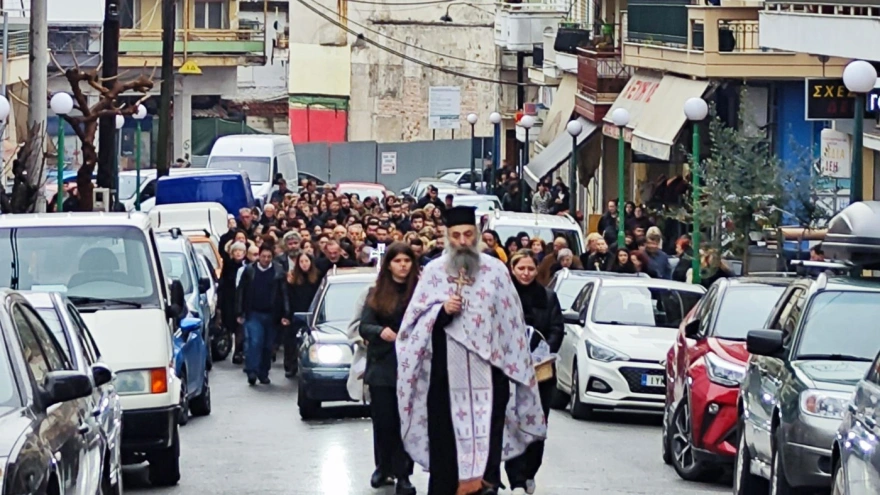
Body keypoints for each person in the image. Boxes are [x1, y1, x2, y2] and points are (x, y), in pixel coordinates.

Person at [396, 206, 546, 495]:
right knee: (446, 451)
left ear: (476, 235)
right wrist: (441, 311)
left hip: (490, 377)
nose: (463, 241)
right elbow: (412, 327)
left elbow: (511, 322)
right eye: (456, 235)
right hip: (444, 381)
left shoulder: (496, 271)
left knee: (488, 444)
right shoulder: (434, 272)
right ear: (447, 236)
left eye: (468, 234)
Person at [360, 242, 419, 495]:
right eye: (397, 261)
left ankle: (404, 474)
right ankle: (383, 466)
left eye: (407, 261)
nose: (402, 266)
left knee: (406, 424)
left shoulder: (419, 292)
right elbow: (364, 326)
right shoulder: (376, 293)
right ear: (389, 265)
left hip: (412, 367)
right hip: (383, 366)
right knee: (384, 422)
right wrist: (380, 331)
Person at [503, 250, 563, 495]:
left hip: (540, 373)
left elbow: (557, 329)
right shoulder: (504, 296)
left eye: (530, 268)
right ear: (512, 269)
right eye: (521, 268)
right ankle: (516, 477)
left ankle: (529, 472)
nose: (526, 273)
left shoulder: (548, 297)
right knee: (512, 424)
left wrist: (542, 353)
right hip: (509, 372)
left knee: (537, 426)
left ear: (536, 270)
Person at [235, 245, 286, 385]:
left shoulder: (278, 271)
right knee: (255, 341)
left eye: (269, 257)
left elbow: (284, 293)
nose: (266, 259)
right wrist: (239, 311)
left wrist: (285, 313)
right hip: (254, 313)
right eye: (263, 256)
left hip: (271, 314)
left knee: (268, 345)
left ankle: (263, 372)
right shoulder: (250, 270)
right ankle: (251, 370)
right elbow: (241, 291)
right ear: (259, 256)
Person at [281, 252, 321, 377]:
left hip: (312, 314)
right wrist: (287, 314)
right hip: (295, 313)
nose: (304, 264)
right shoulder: (292, 278)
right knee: (291, 341)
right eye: (301, 261)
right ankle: (290, 366)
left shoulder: (317, 277)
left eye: (306, 261)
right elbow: (287, 297)